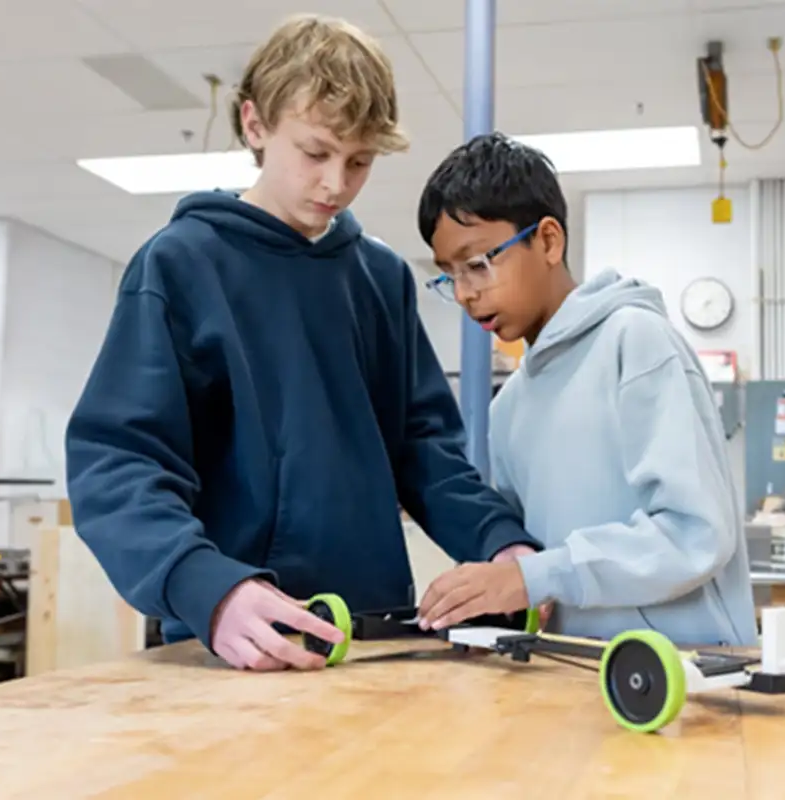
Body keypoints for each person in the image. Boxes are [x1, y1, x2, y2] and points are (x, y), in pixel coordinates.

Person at [64, 17, 540, 673]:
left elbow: (425, 451)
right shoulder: (180, 266)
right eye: (315, 153)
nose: (335, 185)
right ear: (255, 125)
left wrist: (501, 544)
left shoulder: (380, 278)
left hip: (375, 632)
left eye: (360, 162)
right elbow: (119, 464)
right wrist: (206, 586)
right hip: (233, 638)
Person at [414, 132, 757, 648]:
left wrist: (535, 577)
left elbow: (696, 534)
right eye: (449, 276)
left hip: (688, 676)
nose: (465, 293)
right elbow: (530, 562)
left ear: (548, 241)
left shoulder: (636, 343)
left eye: (480, 263)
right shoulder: (509, 407)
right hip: (574, 678)